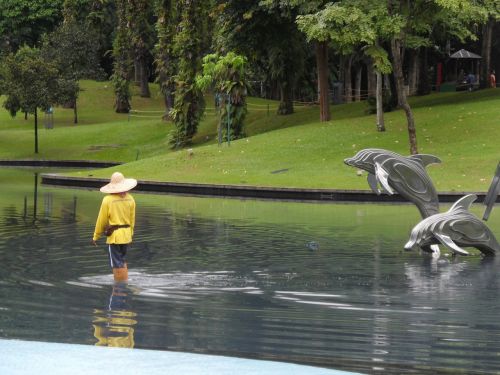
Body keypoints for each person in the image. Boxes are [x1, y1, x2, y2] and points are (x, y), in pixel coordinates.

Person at [92, 172, 137, 282]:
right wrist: (130, 234)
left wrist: (96, 236)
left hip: (115, 237)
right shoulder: (131, 199)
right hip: (126, 235)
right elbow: (132, 220)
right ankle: (124, 287)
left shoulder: (108, 200)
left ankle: (119, 290)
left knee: (116, 263)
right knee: (122, 260)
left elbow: (101, 220)